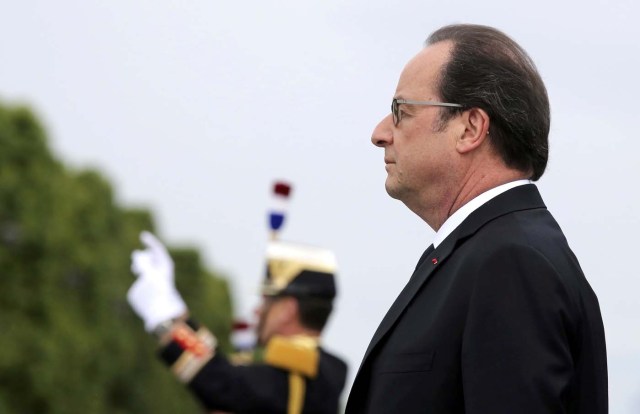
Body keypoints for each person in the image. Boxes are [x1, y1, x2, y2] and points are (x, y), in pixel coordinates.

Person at [345, 24, 607, 414]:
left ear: (470, 129)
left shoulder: (511, 263)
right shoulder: (483, 253)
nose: (380, 133)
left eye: (401, 111)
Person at [127, 231, 347, 413]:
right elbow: (226, 374)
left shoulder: (300, 374)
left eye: (267, 301)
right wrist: (178, 315)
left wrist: (163, 316)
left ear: (287, 310)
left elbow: (220, 380)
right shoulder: (317, 370)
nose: (258, 311)